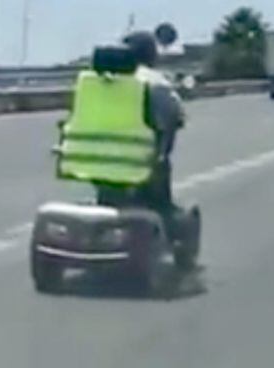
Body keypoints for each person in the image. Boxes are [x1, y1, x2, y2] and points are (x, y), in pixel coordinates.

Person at [56, 32, 186, 239]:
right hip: (137, 163)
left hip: (87, 160)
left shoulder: (90, 82)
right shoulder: (154, 82)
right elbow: (175, 116)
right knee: (160, 179)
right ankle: (167, 226)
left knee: (107, 184)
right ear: (152, 55)